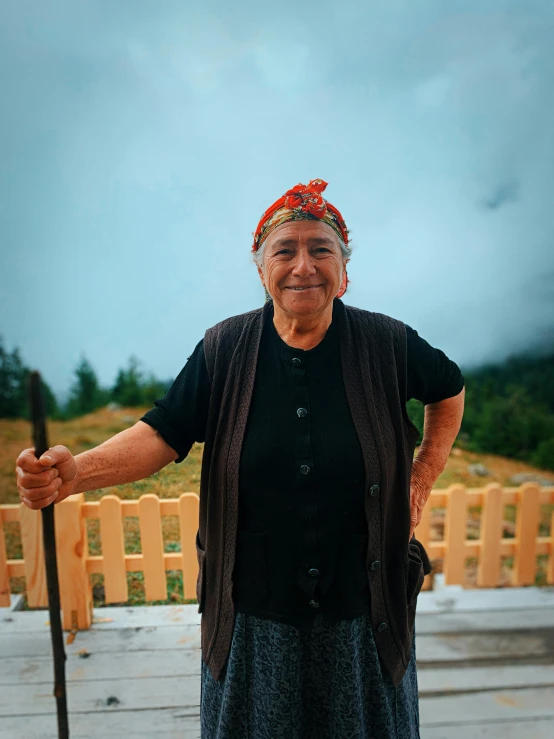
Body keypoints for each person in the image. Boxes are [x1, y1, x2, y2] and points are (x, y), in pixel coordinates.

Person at [16, 179, 465, 738]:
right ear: (261, 270)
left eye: (321, 249)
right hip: (254, 612)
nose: (304, 265)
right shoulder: (224, 350)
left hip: (365, 612)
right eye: (285, 249)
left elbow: (448, 388)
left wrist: (422, 476)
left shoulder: (388, 344)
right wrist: (74, 472)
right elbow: (163, 432)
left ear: (344, 271)